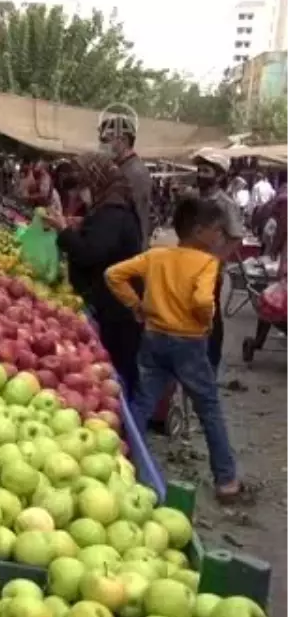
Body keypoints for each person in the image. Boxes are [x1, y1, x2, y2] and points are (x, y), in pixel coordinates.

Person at [105, 197, 249, 504]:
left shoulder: (157, 256)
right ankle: (226, 481)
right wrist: (206, 321)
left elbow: (113, 275)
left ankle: (122, 461)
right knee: (208, 410)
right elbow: (201, 301)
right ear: (199, 231)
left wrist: (136, 305)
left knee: (142, 402)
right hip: (190, 344)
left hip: (154, 338)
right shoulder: (207, 263)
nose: (221, 237)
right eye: (217, 231)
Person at [43, 153, 144, 389]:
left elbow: (90, 253)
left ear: (99, 181)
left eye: (86, 183)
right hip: (116, 304)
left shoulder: (112, 213)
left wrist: (64, 232)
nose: (82, 190)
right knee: (119, 368)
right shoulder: (111, 208)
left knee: (119, 371)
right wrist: (82, 225)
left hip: (115, 308)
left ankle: (131, 416)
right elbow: (101, 239)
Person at [193, 150, 245, 374]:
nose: (201, 175)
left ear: (220, 176)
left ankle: (211, 364)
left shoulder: (225, 204)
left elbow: (235, 236)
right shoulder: (196, 199)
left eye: (206, 171)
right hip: (191, 265)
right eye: (199, 170)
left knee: (211, 315)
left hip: (210, 269)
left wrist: (218, 260)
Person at [99, 115, 153, 246]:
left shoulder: (134, 172)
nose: (101, 146)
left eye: (105, 140)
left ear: (123, 140)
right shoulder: (123, 167)